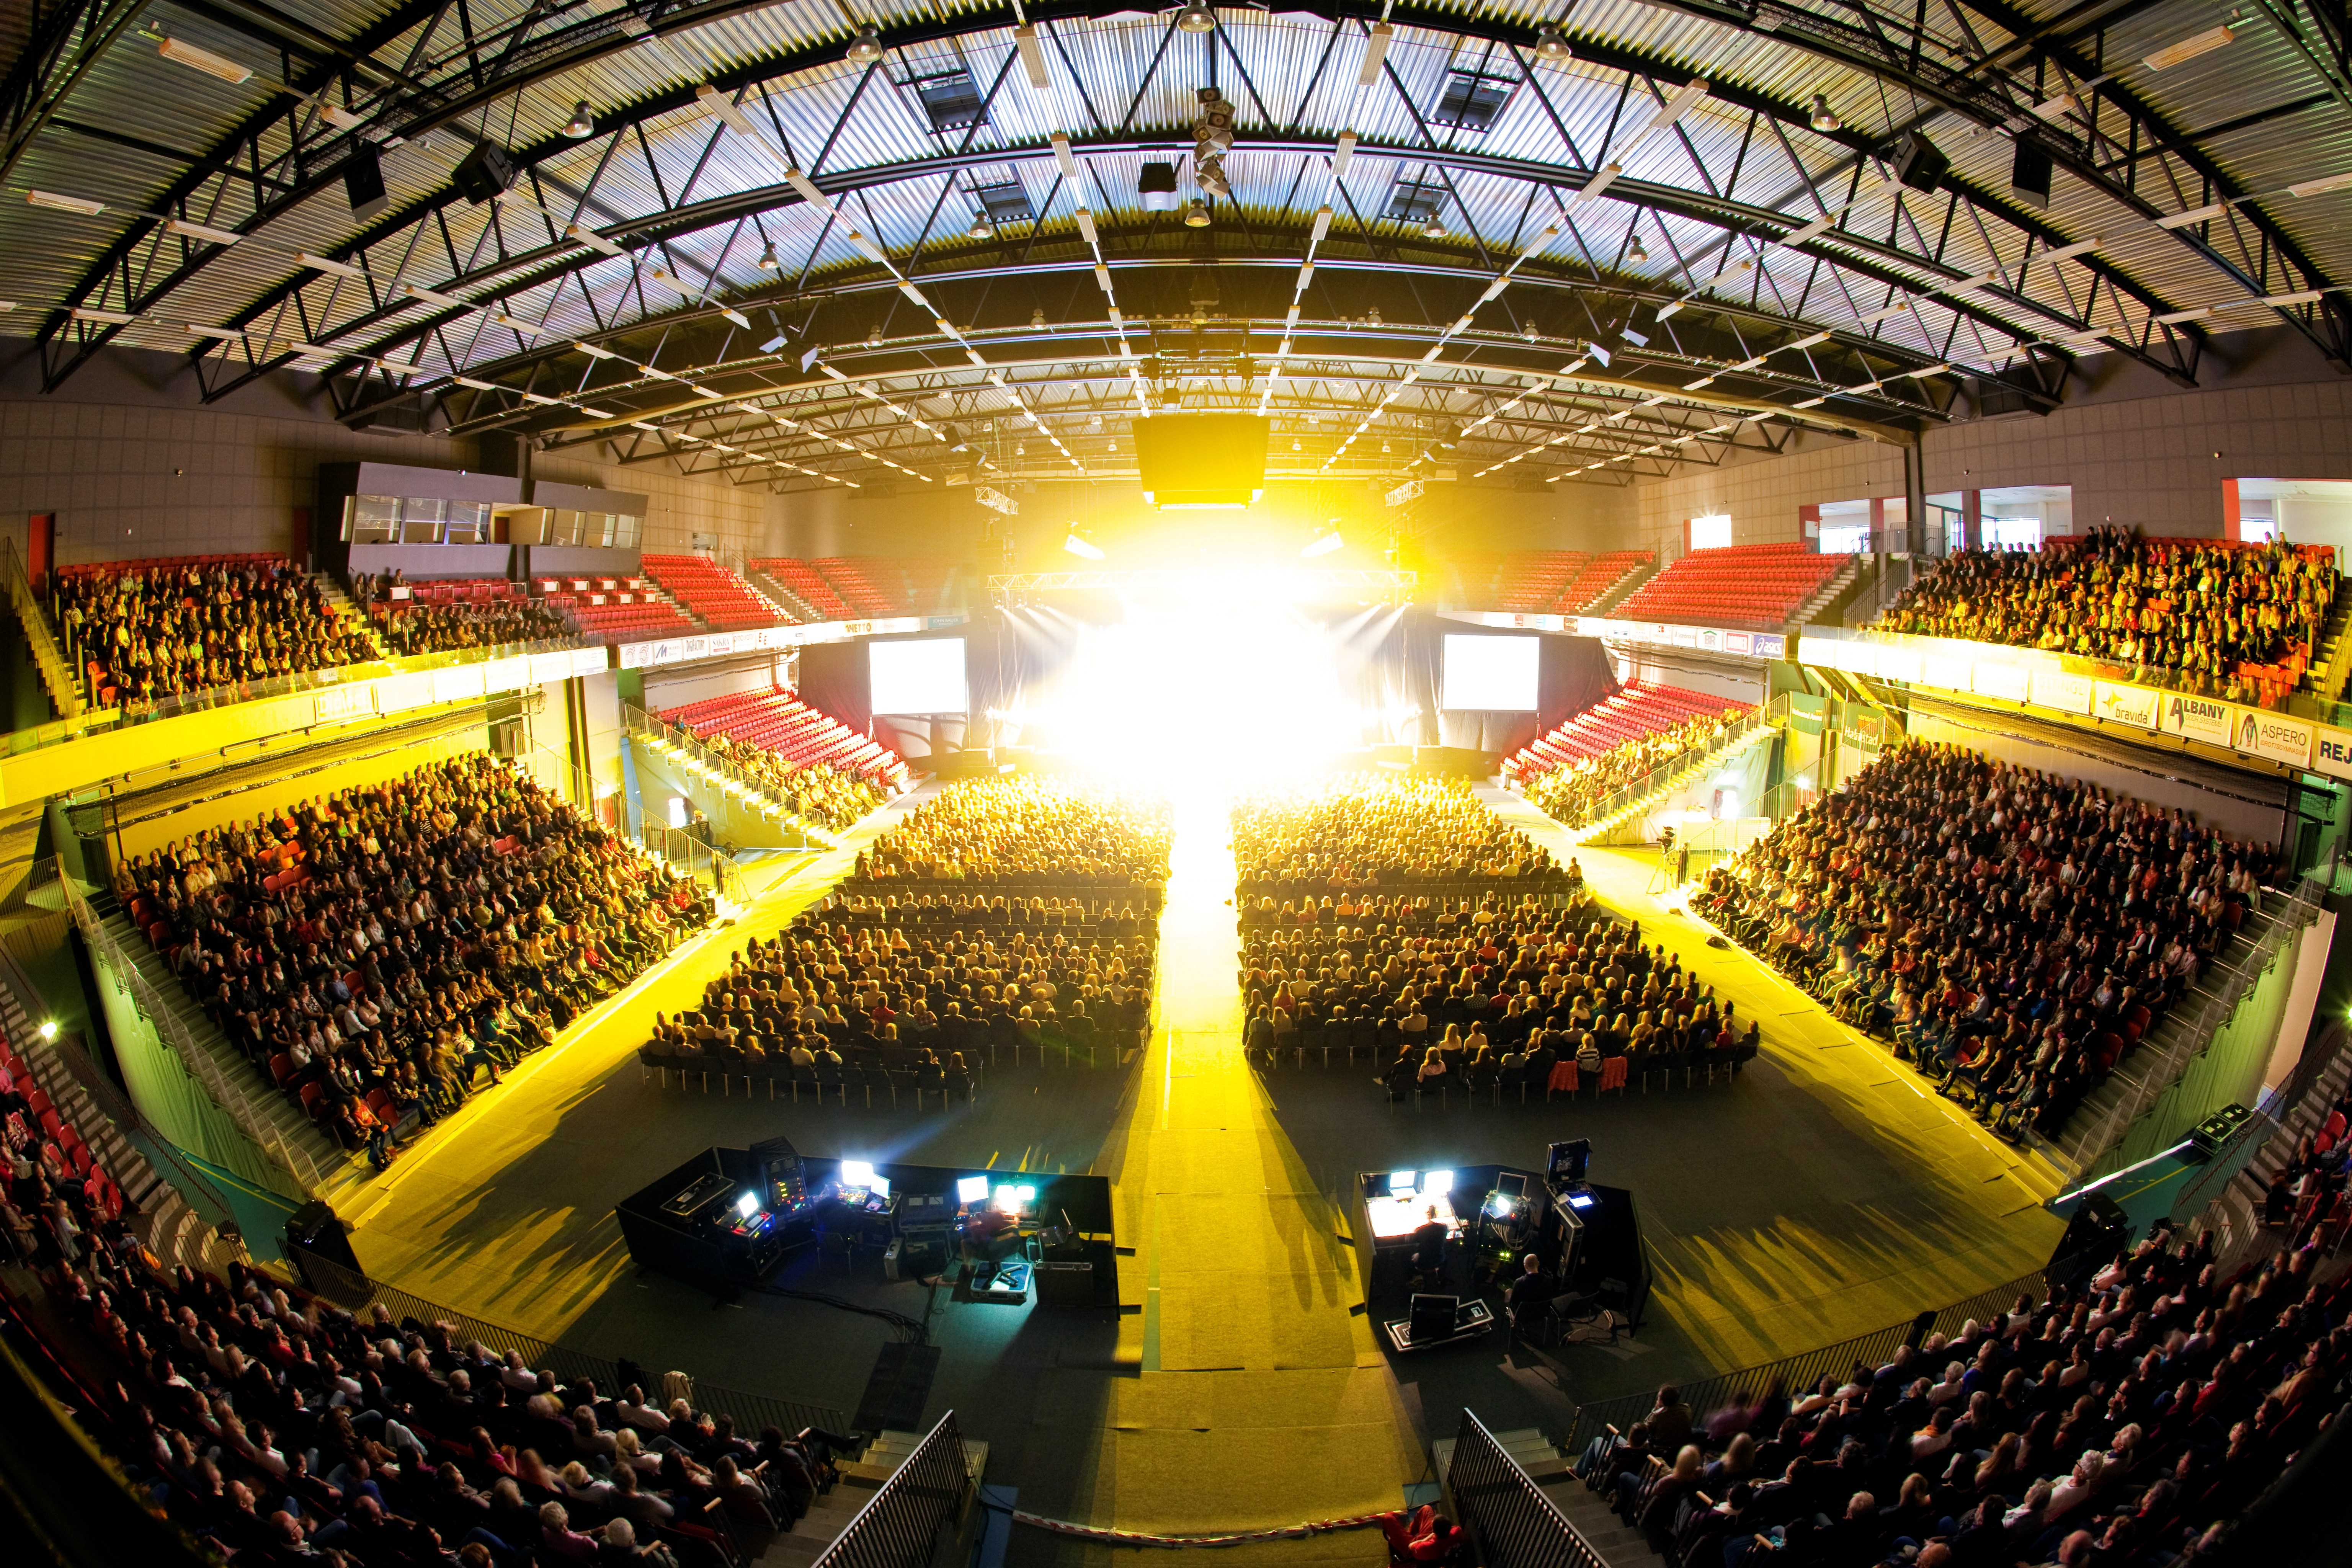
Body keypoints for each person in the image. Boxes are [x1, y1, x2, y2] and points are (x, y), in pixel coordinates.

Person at [1506, 1252, 1553, 1343]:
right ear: (1538, 1264)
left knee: (1508, 1292)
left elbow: (1513, 1302)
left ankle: (1514, 1323)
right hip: (1541, 1314)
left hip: (1522, 1315)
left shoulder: (1520, 1282)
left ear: (1526, 1266)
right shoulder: (1548, 1280)